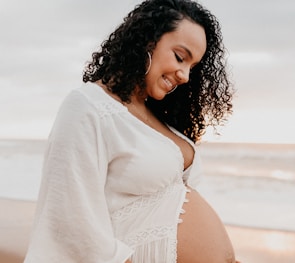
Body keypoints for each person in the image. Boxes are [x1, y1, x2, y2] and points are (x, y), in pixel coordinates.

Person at [24, 0, 237, 262]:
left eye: (192, 67)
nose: (185, 76)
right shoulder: (88, 107)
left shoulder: (158, 115)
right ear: (147, 40)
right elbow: (71, 219)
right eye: (180, 57)